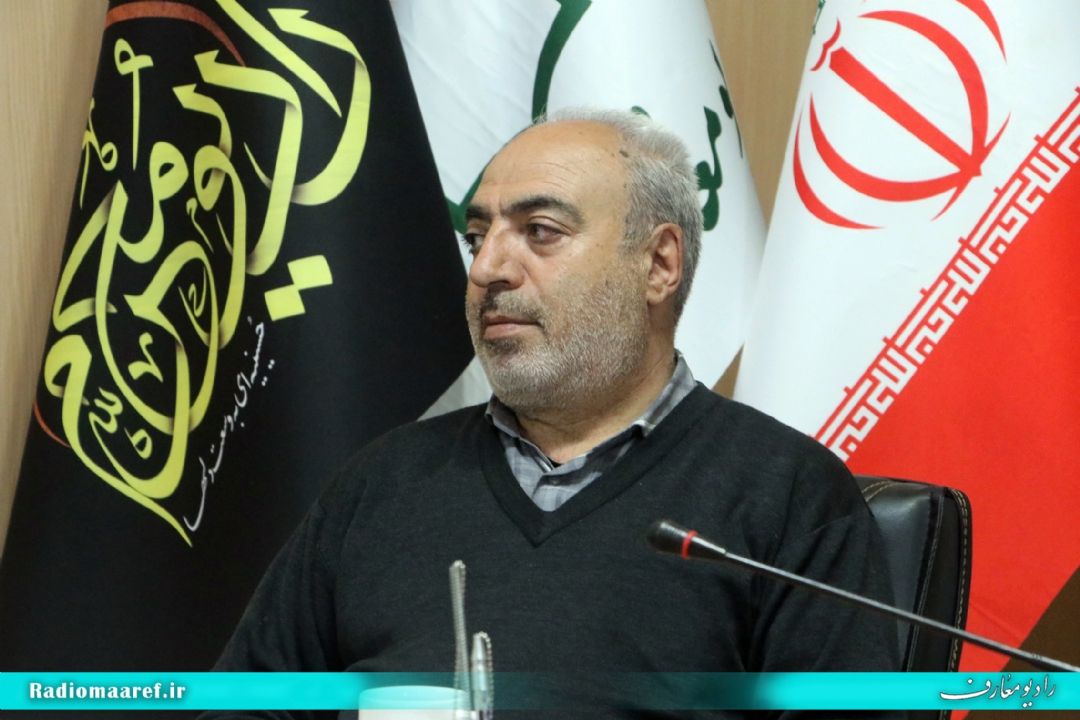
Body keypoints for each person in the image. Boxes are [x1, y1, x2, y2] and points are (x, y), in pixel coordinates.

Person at [206, 108, 900, 718]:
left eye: (540, 231)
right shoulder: (381, 484)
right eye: (478, 237)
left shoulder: (787, 495)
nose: (487, 270)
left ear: (659, 263)